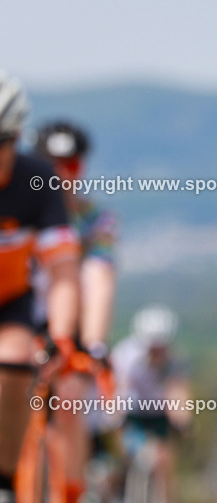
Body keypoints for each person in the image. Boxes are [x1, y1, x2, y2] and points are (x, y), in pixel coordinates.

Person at [0, 73, 81, 501]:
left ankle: (5, 480)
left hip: (10, 300)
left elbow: (64, 272)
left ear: (16, 139)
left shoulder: (38, 179)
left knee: (14, 360)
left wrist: (61, 335)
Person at [33, 120, 119, 502]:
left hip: (74, 327)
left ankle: (71, 491)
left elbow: (100, 278)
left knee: (70, 402)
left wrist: (94, 345)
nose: (61, 174)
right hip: (22, 316)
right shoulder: (18, 206)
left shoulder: (95, 218)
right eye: (51, 165)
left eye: (71, 165)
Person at [110, 306, 189, 500]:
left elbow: (177, 391)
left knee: (164, 461)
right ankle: (117, 488)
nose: (157, 351)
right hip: (132, 410)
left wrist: (183, 422)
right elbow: (118, 388)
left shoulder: (174, 360)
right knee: (124, 454)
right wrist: (116, 417)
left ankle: (165, 497)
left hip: (158, 413)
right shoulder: (125, 355)